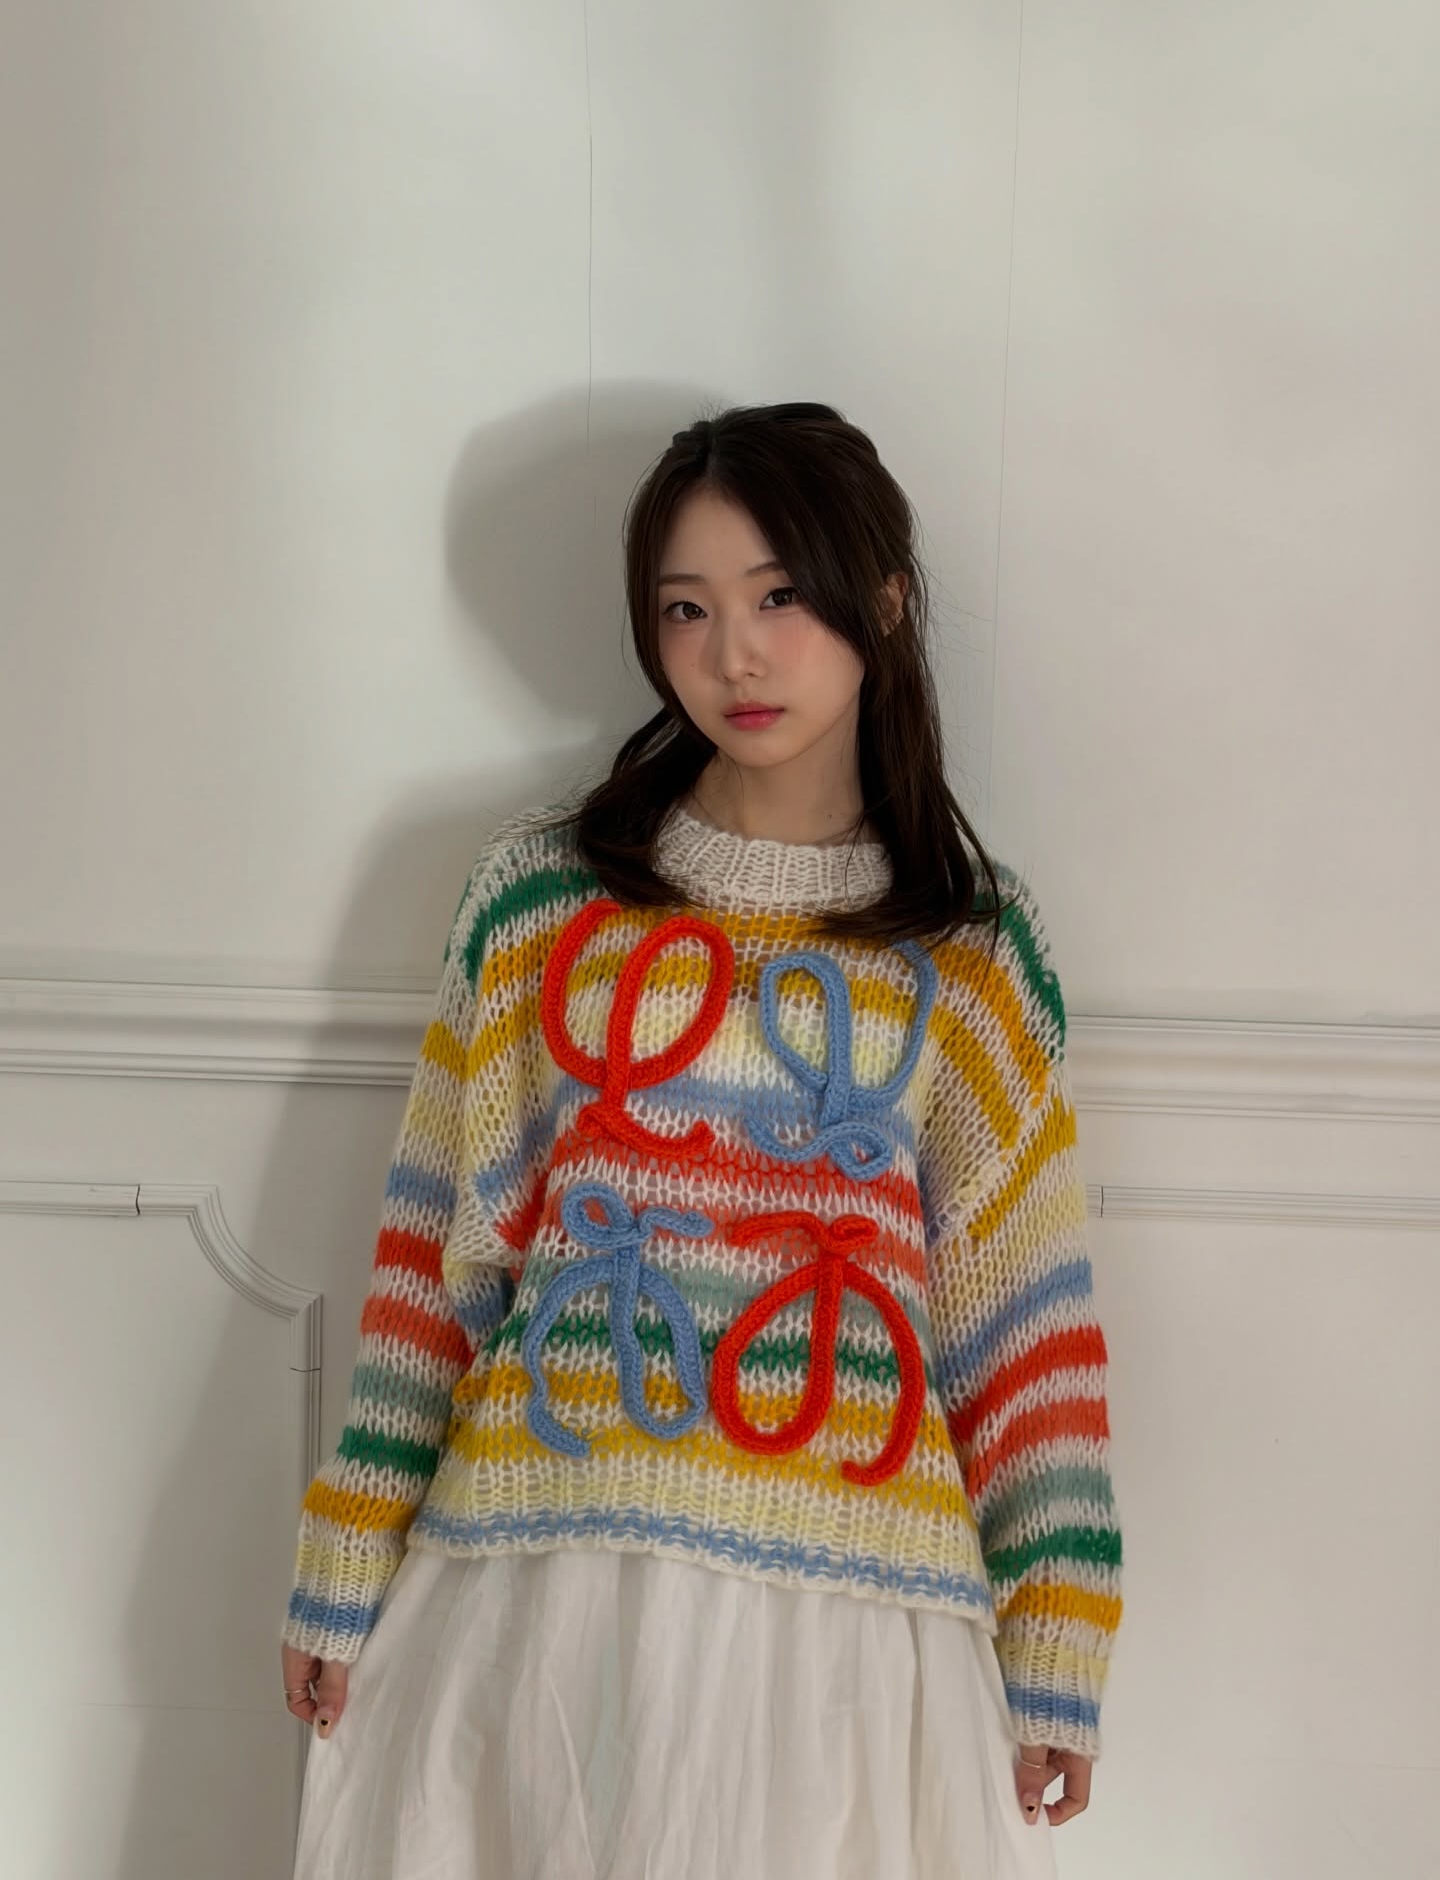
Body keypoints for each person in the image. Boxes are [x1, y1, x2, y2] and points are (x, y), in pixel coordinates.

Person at [280, 402, 1124, 1879]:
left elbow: (1023, 1328)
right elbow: (439, 1252)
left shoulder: (974, 951)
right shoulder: (542, 899)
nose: (735, 654)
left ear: (883, 600)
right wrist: (347, 1545)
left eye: (779, 596)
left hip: (847, 1632)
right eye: (688, 609)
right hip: (542, 1588)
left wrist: (1059, 1632)